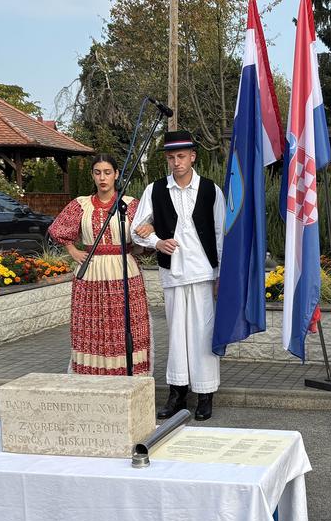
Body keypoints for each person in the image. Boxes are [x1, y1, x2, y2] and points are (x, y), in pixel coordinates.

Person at [132, 130, 225, 421]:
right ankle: (177, 392)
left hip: (203, 272)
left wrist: (220, 274)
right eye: (171, 157)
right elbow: (138, 228)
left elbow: (221, 233)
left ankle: (206, 394)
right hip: (172, 272)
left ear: (193, 156)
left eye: (181, 156)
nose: (176, 162)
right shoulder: (155, 190)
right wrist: (157, 241)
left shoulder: (210, 190)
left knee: (203, 333)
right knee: (177, 334)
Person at [47, 153, 152, 376]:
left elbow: (146, 234)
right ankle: (92, 377)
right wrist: (72, 250)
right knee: (93, 325)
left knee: (124, 325)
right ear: (92, 176)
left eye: (107, 172)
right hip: (90, 270)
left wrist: (150, 230)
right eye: (97, 173)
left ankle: (128, 375)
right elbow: (57, 229)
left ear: (116, 175)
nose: (102, 178)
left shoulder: (130, 204)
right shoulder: (81, 205)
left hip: (124, 269)